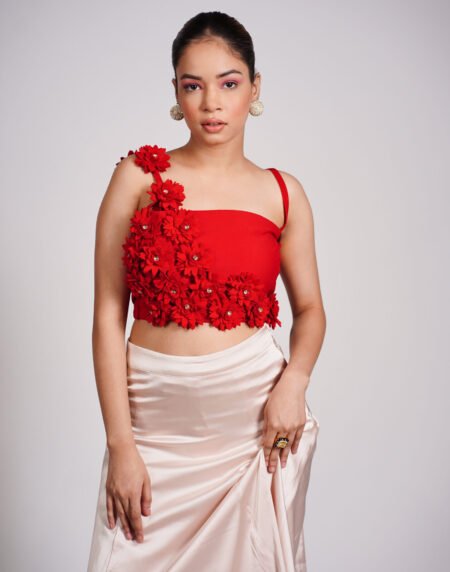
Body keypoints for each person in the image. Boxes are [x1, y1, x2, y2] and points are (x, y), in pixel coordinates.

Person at [87, 10, 325, 572]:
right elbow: (106, 314)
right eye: (193, 86)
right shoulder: (138, 177)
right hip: (153, 426)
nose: (212, 103)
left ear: (254, 88)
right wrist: (120, 444)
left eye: (229, 83)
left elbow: (311, 310)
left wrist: (295, 380)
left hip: (251, 424)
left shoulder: (283, 193)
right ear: (176, 92)